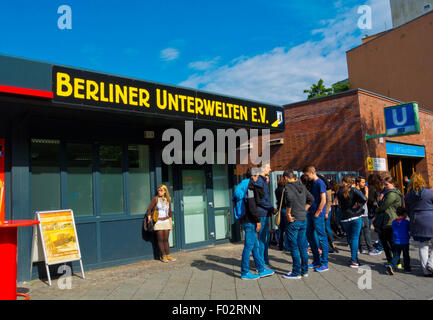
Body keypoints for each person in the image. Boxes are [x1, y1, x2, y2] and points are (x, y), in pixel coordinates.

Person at [240, 167, 275, 280]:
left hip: (249, 219)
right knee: (248, 246)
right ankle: (245, 272)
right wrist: (258, 220)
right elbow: (252, 206)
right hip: (250, 221)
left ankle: (261, 269)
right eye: (256, 176)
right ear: (252, 177)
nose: (258, 178)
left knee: (255, 246)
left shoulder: (247, 186)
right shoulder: (249, 188)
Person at [281, 170, 315, 279]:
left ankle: (296, 272)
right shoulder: (302, 186)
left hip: (294, 220)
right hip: (303, 219)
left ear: (286, 178)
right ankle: (304, 271)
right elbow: (311, 199)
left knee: (294, 247)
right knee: (303, 246)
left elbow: (289, 199)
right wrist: (304, 210)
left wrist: (288, 213)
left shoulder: (289, 187)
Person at [404, 173, 433, 277]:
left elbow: (407, 210)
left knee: (423, 246)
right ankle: (431, 264)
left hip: (417, 221)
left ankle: (426, 271)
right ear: (422, 181)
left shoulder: (407, 196)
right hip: (431, 219)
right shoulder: (430, 193)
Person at [302, 166, 329, 272]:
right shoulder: (313, 183)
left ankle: (324, 263)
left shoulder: (320, 183)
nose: (306, 177)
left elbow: (323, 200)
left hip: (317, 214)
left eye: (307, 175)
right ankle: (317, 260)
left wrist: (318, 212)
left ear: (312, 172)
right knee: (309, 234)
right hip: (312, 213)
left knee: (322, 237)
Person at [337, 175, 367, 268]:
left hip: (345, 218)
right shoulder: (353, 190)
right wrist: (358, 204)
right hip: (355, 216)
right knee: (354, 238)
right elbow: (364, 199)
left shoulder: (339, 191)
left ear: (343, 182)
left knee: (350, 238)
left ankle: (353, 258)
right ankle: (354, 260)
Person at [373, 175, 403, 265]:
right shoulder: (390, 192)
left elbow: (384, 206)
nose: (385, 186)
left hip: (389, 220)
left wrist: (376, 209)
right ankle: (393, 261)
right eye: (384, 184)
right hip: (388, 219)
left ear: (393, 184)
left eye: (386, 184)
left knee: (389, 242)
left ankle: (394, 262)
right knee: (387, 242)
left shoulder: (392, 194)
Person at [255, 163, 277, 269]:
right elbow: (261, 200)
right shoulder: (259, 181)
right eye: (268, 167)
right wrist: (271, 208)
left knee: (265, 239)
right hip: (262, 213)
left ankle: (264, 261)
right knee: (262, 240)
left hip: (265, 212)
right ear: (263, 169)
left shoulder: (263, 181)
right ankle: (262, 263)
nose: (270, 169)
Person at [146, 185, 175, 263]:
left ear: (165, 191)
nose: (159, 192)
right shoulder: (155, 199)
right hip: (158, 222)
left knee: (166, 239)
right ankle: (163, 256)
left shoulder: (168, 200)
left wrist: (171, 224)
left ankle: (168, 255)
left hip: (166, 221)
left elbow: (169, 213)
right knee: (160, 240)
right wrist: (150, 220)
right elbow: (148, 210)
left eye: (161, 190)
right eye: (158, 190)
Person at [386, 207, 411, 275]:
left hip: (396, 241)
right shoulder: (406, 222)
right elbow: (409, 229)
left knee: (396, 255)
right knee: (406, 255)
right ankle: (407, 268)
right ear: (405, 213)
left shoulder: (394, 222)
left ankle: (391, 265)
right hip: (405, 241)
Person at [356, 176, 376, 255]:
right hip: (362, 214)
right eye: (363, 182)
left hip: (362, 213)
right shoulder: (358, 191)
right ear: (358, 183)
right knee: (366, 232)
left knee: (361, 232)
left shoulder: (359, 190)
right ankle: (370, 249)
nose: (364, 184)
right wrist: (367, 192)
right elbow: (364, 201)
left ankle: (360, 248)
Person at [275, 176, 289, 251]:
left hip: (279, 210)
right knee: (287, 228)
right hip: (285, 209)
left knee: (281, 228)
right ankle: (287, 245)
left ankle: (280, 245)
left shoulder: (276, 190)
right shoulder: (285, 190)